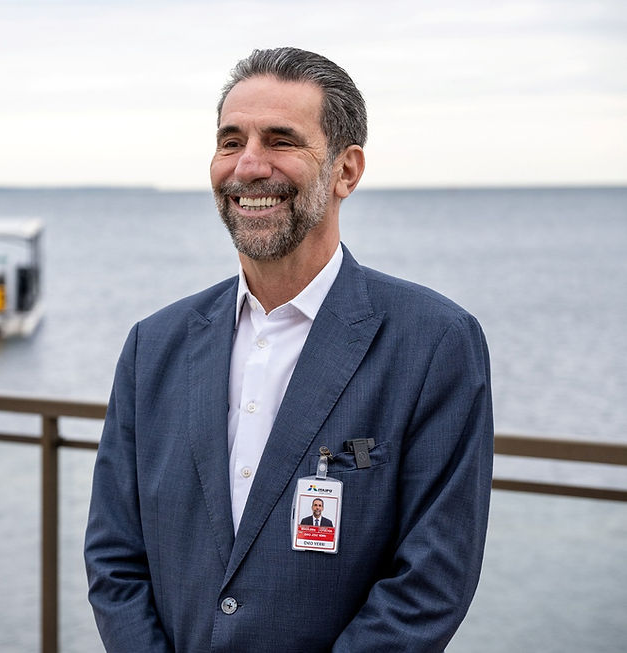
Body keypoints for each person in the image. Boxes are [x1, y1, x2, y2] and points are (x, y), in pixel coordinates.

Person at [84, 47, 493, 652]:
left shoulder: (434, 343)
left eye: (280, 140)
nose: (248, 166)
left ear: (345, 172)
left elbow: (431, 582)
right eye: (230, 141)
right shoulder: (155, 346)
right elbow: (116, 559)